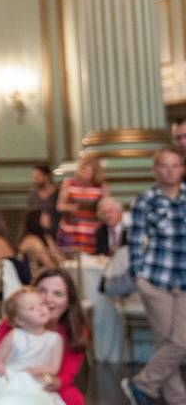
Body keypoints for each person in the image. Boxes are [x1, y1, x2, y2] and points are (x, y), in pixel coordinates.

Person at [121, 148, 186, 405]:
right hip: (155, 280)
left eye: (175, 165)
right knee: (168, 341)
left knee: (179, 342)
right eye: (164, 166)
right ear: (155, 169)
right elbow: (135, 241)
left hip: (183, 281)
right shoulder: (145, 200)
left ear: (182, 169)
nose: (169, 171)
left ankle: (142, 383)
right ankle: (179, 400)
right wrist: (139, 276)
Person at [0, 268, 90, 405]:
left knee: (72, 397)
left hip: (48, 383)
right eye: (42, 291)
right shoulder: (15, 323)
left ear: (68, 302)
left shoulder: (74, 329)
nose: (48, 299)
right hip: (12, 380)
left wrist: (46, 381)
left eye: (58, 294)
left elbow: (66, 374)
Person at [0, 288, 64, 404]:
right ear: (20, 320)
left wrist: (31, 372)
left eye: (41, 303)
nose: (40, 308)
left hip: (38, 383)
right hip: (14, 380)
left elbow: (54, 367)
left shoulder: (55, 339)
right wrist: (6, 375)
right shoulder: (14, 335)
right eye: (32, 308)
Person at [56, 154, 110, 254]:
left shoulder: (101, 186)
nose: (87, 174)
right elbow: (59, 206)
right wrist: (70, 208)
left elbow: (108, 207)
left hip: (91, 231)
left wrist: (100, 211)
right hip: (71, 229)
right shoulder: (68, 183)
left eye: (91, 171)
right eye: (85, 170)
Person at [17, 209, 64, 279]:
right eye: (44, 215)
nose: (48, 217)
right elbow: (48, 264)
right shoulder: (32, 239)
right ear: (36, 219)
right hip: (30, 279)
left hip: (43, 276)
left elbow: (59, 258)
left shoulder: (46, 237)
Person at [28, 164, 60, 234]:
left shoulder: (58, 193)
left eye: (37, 176)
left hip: (56, 231)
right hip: (38, 233)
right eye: (34, 177)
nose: (35, 179)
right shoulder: (33, 193)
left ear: (46, 176)